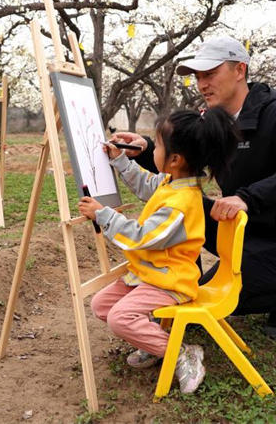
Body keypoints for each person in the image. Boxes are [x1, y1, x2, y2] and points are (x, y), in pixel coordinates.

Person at [115, 37, 276, 339]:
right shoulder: (213, 122)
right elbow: (183, 159)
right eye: (198, 76)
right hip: (241, 229)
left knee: (209, 297)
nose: (202, 84)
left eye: (210, 73)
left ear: (240, 70)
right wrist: (145, 149)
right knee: (188, 210)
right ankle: (177, 283)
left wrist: (246, 198)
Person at [78, 107, 239, 394]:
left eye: (158, 145)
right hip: (150, 274)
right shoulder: (172, 183)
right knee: (101, 305)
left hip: (170, 280)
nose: (152, 150)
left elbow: (140, 237)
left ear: (175, 160)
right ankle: (150, 341)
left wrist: (103, 214)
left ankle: (181, 352)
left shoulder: (181, 203)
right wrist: (121, 163)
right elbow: (147, 184)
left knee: (120, 317)